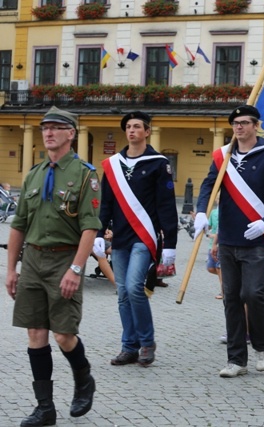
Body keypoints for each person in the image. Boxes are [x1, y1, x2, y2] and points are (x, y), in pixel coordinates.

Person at [6, 106, 100, 425]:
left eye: (56, 127)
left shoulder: (85, 174)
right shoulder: (33, 174)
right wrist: (11, 269)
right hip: (32, 258)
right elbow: (18, 225)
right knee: (35, 332)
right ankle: (44, 408)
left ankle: (83, 378)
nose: (48, 132)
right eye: (45, 127)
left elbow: (90, 226)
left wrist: (76, 268)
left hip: (65, 257)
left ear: (71, 134)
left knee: (63, 334)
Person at [193, 105, 264, 378]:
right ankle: (236, 359)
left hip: (259, 238)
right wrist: (202, 212)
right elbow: (208, 186)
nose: (239, 127)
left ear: (255, 126)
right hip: (228, 237)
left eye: (244, 122)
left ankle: (262, 346)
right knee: (231, 298)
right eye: (235, 123)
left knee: (252, 294)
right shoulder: (223, 156)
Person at [95, 111, 178, 367]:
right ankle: (128, 347)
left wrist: (171, 243)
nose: (131, 130)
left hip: (145, 236)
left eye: (137, 126)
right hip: (120, 237)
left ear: (147, 131)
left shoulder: (158, 163)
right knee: (122, 293)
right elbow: (106, 203)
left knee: (133, 287)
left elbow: (166, 205)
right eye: (128, 127)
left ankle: (146, 342)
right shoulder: (113, 165)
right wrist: (99, 233)